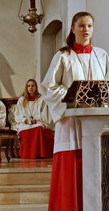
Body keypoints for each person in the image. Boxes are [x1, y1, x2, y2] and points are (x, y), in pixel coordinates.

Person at [40, 11, 109, 211]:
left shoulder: (102, 55)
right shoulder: (63, 56)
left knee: (96, 162)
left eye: (89, 26)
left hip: (96, 121)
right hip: (70, 120)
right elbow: (48, 87)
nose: (85, 30)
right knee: (72, 165)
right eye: (81, 26)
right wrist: (72, 92)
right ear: (72, 28)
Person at [15, 79, 53, 159]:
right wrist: (24, 120)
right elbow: (18, 114)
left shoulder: (41, 99)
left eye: (33, 86)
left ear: (36, 87)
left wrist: (36, 120)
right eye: (28, 86)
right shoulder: (21, 100)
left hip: (38, 122)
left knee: (39, 128)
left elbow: (44, 113)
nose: (30, 88)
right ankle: (27, 154)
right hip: (25, 123)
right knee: (24, 130)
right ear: (26, 88)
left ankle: (39, 153)